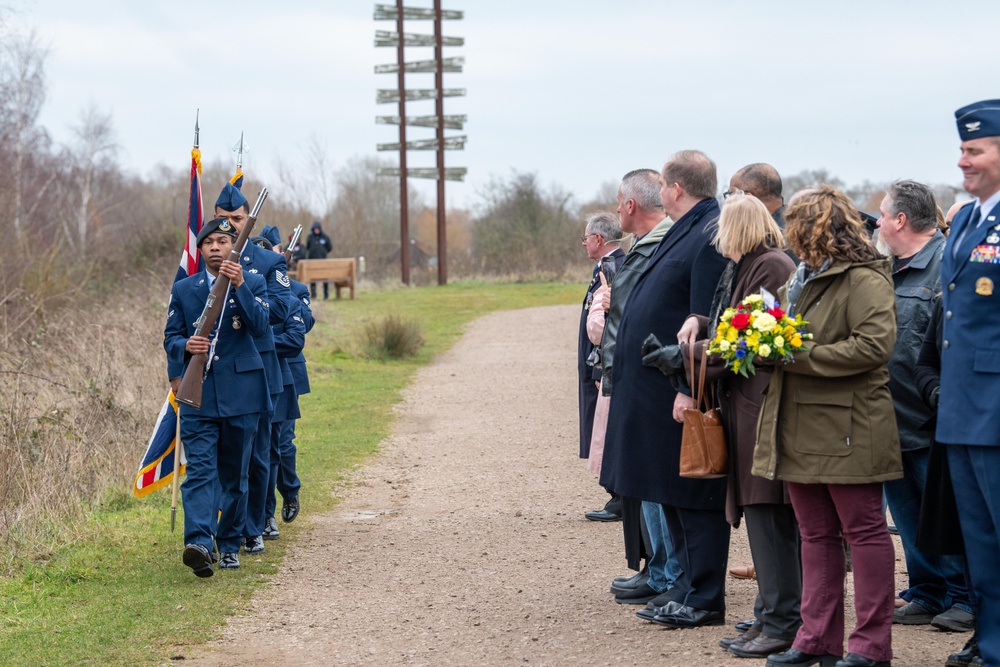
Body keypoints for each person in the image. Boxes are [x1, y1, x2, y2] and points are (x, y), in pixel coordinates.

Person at [753, 185, 901, 667]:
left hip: (850, 425)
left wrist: (793, 354)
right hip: (798, 421)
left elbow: (873, 347)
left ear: (811, 228)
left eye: (792, 224)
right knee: (815, 534)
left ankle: (870, 645)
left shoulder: (864, 279)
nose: (785, 232)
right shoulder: (800, 278)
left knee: (864, 532)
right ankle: (816, 638)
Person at [664, 194, 800, 657]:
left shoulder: (771, 267)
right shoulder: (748, 268)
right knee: (761, 516)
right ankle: (769, 614)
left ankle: (781, 620)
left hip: (759, 411)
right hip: (746, 407)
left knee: (769, 514)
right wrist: (700, 323)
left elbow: (747, 341)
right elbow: (731, 322)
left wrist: (685, 357)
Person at [601, 150, 731, 628]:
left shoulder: (709, 232)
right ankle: (684, 584)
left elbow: (705, 318)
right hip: (660, 389)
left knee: (690, 493)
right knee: (668, 490)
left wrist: (690, 388)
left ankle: (704, 595)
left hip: (680, 390)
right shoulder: (687, 227)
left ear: (675, 189)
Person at [873, 180, 974, 633]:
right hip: (889, 417)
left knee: (946, 515)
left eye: (881, 213)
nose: (876, 221)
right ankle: (927, 591)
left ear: (900, 220)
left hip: (931, 417)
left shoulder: (947, 264)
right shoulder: (885, 269)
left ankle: (963, 597)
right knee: (908, 517)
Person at [164, 217, 271, 576]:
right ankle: (198, 542)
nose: (214, 247)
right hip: (199, 395)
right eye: (208, 242)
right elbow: (170, 337)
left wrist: (240, 287)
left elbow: (260, 327)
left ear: (234, 248)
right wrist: (184, 346)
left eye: (222, 242)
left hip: (243, 394)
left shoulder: (253, 282)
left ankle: (228, 544)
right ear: (201, 249)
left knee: (235, 476)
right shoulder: (184, 289)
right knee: (200, 473)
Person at [592, 169, 678, 605]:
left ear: (629, 206)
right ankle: (658, 568)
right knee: (643, 481)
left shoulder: (664, 245)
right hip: (631, 376)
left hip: (652, 379)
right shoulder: (644, 247)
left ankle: (666, 572)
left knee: (654, 481)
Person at [938, 99, 1000, 667]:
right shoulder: (964, 219)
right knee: (978, 538)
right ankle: (989, 639)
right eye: (962, 149)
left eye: (975, 150)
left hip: (996, 403)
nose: (964, 160)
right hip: (962, 404)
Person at [214, 183, 291, 556]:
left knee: (258, 455)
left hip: (258, 366)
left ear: (248, 219)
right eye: (223, 219)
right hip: (215, 370)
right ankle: (223, 526)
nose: (230, 226)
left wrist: (244, 290)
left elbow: (279, 312)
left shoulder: (267, 263)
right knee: (222, 457)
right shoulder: (203, 258)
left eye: (238, 219)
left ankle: (254, 524)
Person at [578, 211, 625, 522]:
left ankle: (619, 496)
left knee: (606, 430)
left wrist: (598, 371)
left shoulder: (613, 268)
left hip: (603, 369)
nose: (583, 244)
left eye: (586, 238)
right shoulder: (606, 267)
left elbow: (607, 326)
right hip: (598, 367)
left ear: (598, 239)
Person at [305, 221, 332, 299]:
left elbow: (330, 247)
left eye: (318, 229)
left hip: (322, 261)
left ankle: (326, 295)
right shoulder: (310, 237)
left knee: (325, 278)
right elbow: (308, 247)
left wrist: (324, 252)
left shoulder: (325, 237)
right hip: (312, 261)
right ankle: (313, 294)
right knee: (313, 278)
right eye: (315, 229)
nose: (316, 230)